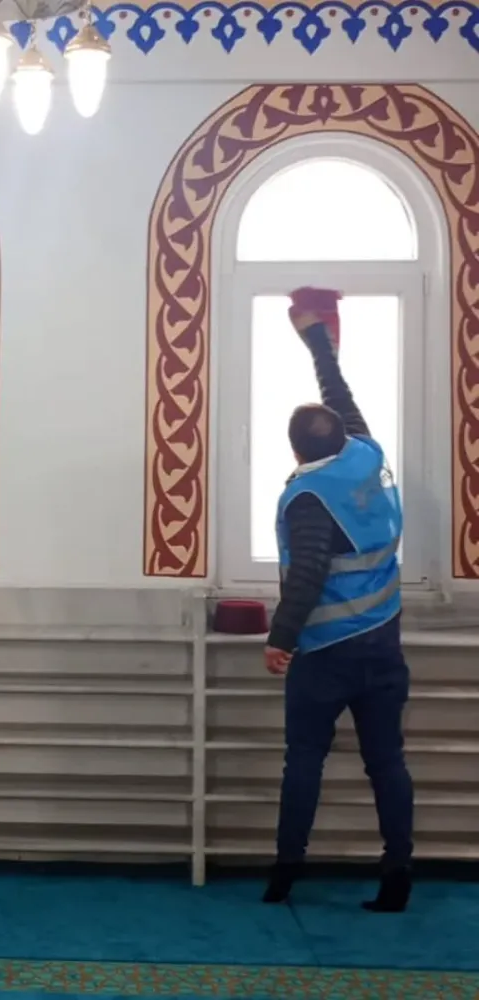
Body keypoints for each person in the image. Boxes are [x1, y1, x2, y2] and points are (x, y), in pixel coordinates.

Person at [261, 305, 413, 913]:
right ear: (341, 438)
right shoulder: (365, 455)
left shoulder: (308, 495)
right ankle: (398, 872)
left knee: (304, 761)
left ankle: (285, 873)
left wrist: (280, 639)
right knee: (387, 763)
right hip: (384, 643)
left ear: (296, 451)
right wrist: (317, 340)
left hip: (325, 653)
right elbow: (341, 400)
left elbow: (307, 574)